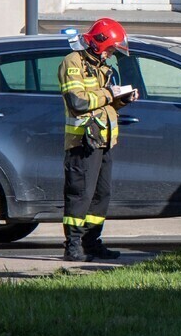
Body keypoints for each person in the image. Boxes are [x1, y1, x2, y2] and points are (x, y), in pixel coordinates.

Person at [58, 18, 139, 264]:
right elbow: (78, 102)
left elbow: (105, 103)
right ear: (97, 44)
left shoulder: (101, 66)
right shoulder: (73, 63)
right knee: (79, 195)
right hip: (82, 141)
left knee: (101, 195)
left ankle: (91, 243)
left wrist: (122, 98)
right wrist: (108, 93)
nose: (111, 54)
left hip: (102, 140)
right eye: (110, 49)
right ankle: (72, 246)